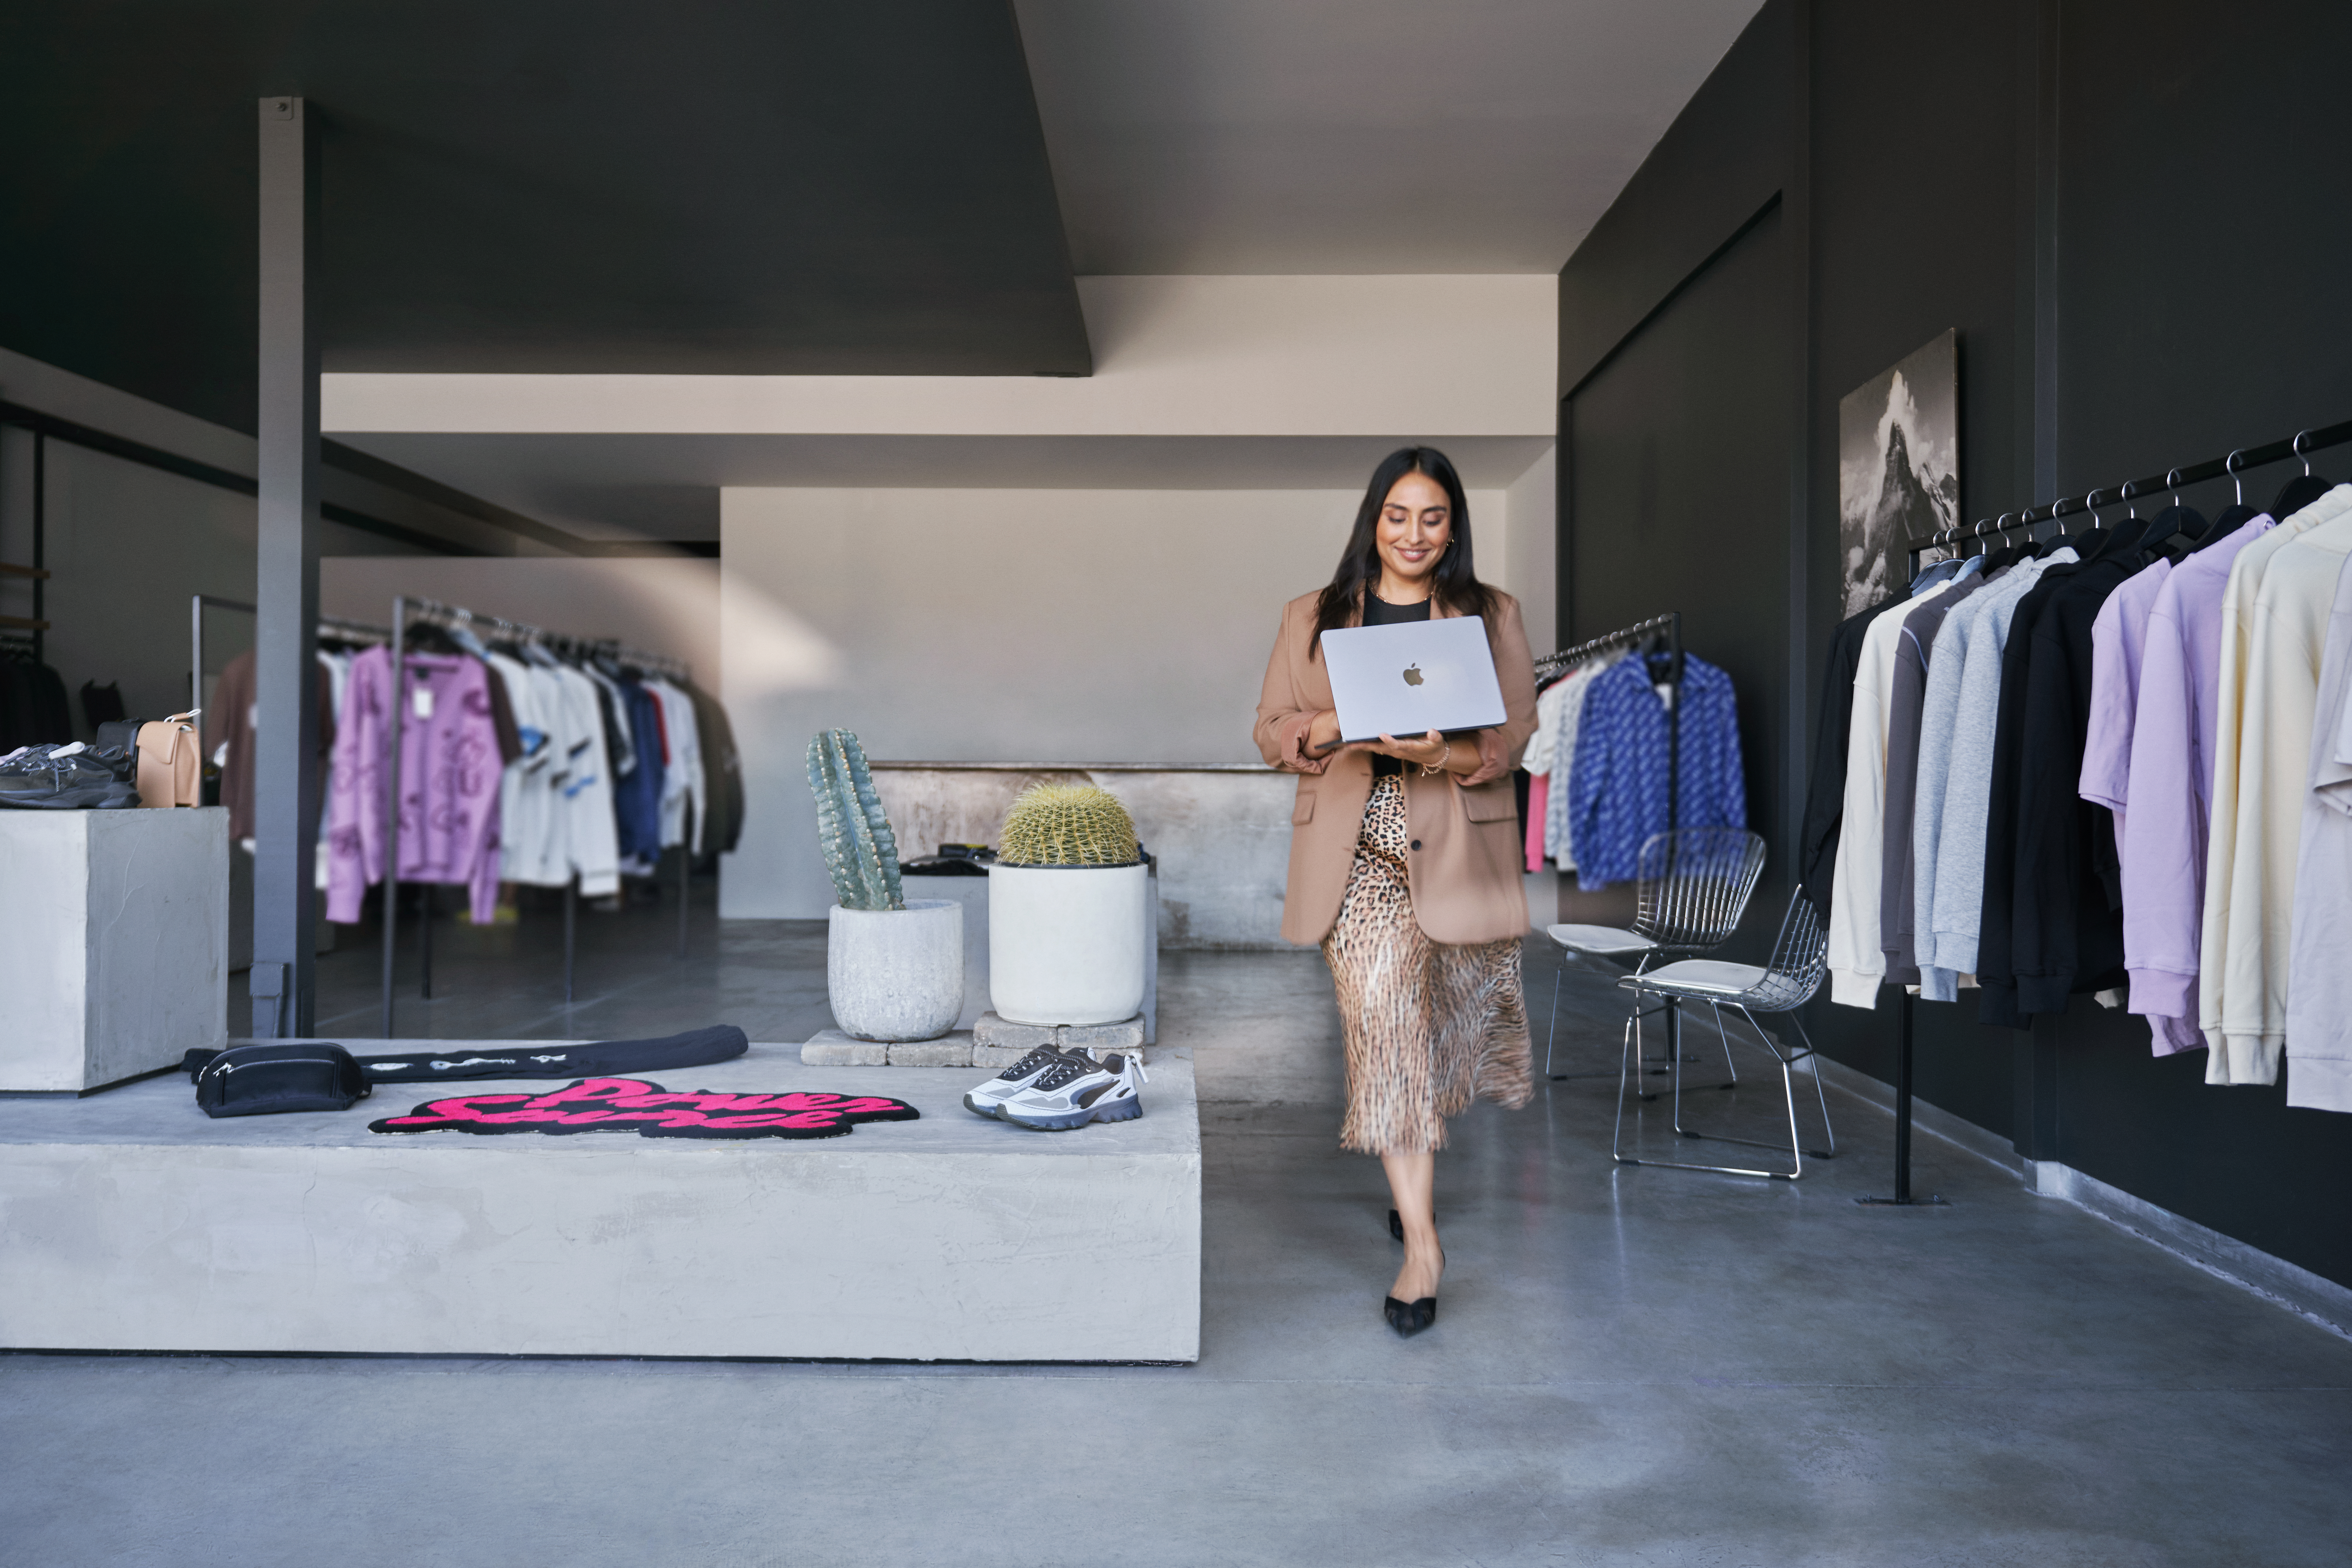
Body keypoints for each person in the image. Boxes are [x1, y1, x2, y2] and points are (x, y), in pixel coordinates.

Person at [1253, 446, 1539, 1338]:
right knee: (1384, 1031)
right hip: (1357, 859)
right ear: (1372, 520)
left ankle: (1408, 1182)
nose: (1413, 534)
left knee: (1446, 1031)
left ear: (1453, 526)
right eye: (1397, 515)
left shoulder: (1491, 615)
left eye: (1433, 517)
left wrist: (1441, 752)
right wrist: (1328, 725)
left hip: (1453, 842)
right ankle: (1422, 1244)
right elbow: (1268, 732)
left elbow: (1512, 738)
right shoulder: (1313, 615)